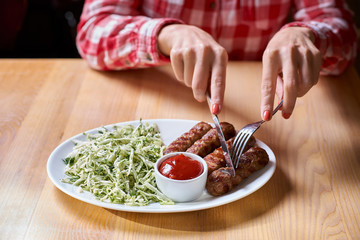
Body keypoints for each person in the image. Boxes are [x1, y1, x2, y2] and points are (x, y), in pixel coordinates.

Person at [76, 0, 358, 120]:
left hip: (271, 113)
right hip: (153, 100)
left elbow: (345, 37)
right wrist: (165, 34)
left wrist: (307, 34)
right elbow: (92, 32)